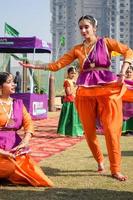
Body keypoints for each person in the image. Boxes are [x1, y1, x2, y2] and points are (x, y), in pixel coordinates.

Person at [19, 15, 133, 181]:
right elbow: (57, 65)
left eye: (86, 26)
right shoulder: (77, 49)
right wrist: (35, 66)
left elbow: (128, 51)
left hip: (107, 90)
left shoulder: (106, 42)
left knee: (110, 129)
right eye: (80, 27)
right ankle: (100, 160)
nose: (83, 30)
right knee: (88, 131)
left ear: (94, 27)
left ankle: (115, 169)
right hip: (85, 92)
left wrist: (123, 70)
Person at [0, 72, 53, 187]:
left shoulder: (18, 104)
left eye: (13, 81)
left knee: (40, 178)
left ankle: (7, 175)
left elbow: (29, 124)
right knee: (9, 167)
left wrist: (25, 142)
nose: (14, 84)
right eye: (9, 82)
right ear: (0, 87)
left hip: (14, 147)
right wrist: (2, 152)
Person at [57, 66, 83, 136]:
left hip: (75, 101)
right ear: (68, 73)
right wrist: (76, 88)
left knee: (75, 118)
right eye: (71, 73)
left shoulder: (75, 81)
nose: (73, 75)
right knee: (67, 118)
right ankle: (64, 132)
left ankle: (75, 132)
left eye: (74, 73)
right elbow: (68, 93)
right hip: (69, 102)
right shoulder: (67, 81)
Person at [122, 65, 133, 135]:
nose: (128, 74)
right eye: (127, 72)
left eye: (130, 72)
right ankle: (125, 130)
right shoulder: (121, 81)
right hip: (123, 104)